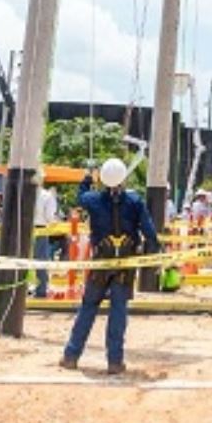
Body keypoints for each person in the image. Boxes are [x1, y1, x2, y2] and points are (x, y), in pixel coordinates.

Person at [61, 157, 159, 375]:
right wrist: (153, 257)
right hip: (125, 266)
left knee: (88, 308)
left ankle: (71, 355)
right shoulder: (135, 202)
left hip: (101, 264)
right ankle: (114, 362)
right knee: (118, 313)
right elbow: (149, 232)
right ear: (124, 178)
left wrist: (88, 177)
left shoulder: (93, 200)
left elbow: (80, 196)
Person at [32, 182, 62, 300]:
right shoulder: (47, 196)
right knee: (41, 260)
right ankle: (41, 290)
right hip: (41, 229)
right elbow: (49, 217)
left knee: (22, 261)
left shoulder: (23, 194)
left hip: (24, 230)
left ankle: (22, 290)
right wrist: (57, 223)